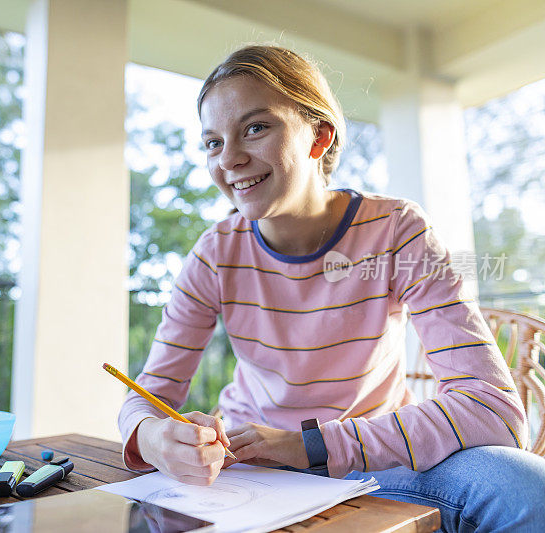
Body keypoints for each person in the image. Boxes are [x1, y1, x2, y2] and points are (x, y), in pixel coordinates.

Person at [117, 45, 545, 531]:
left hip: (376, 465)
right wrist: (152, 435)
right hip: (250, 470)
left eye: (256, 128)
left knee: (528, 489)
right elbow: (145, 397)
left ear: (319, 137)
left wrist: (312, 445)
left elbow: (493, 409)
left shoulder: (397, 230)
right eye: (213, 142)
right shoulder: (214, 252)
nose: (230, 159)